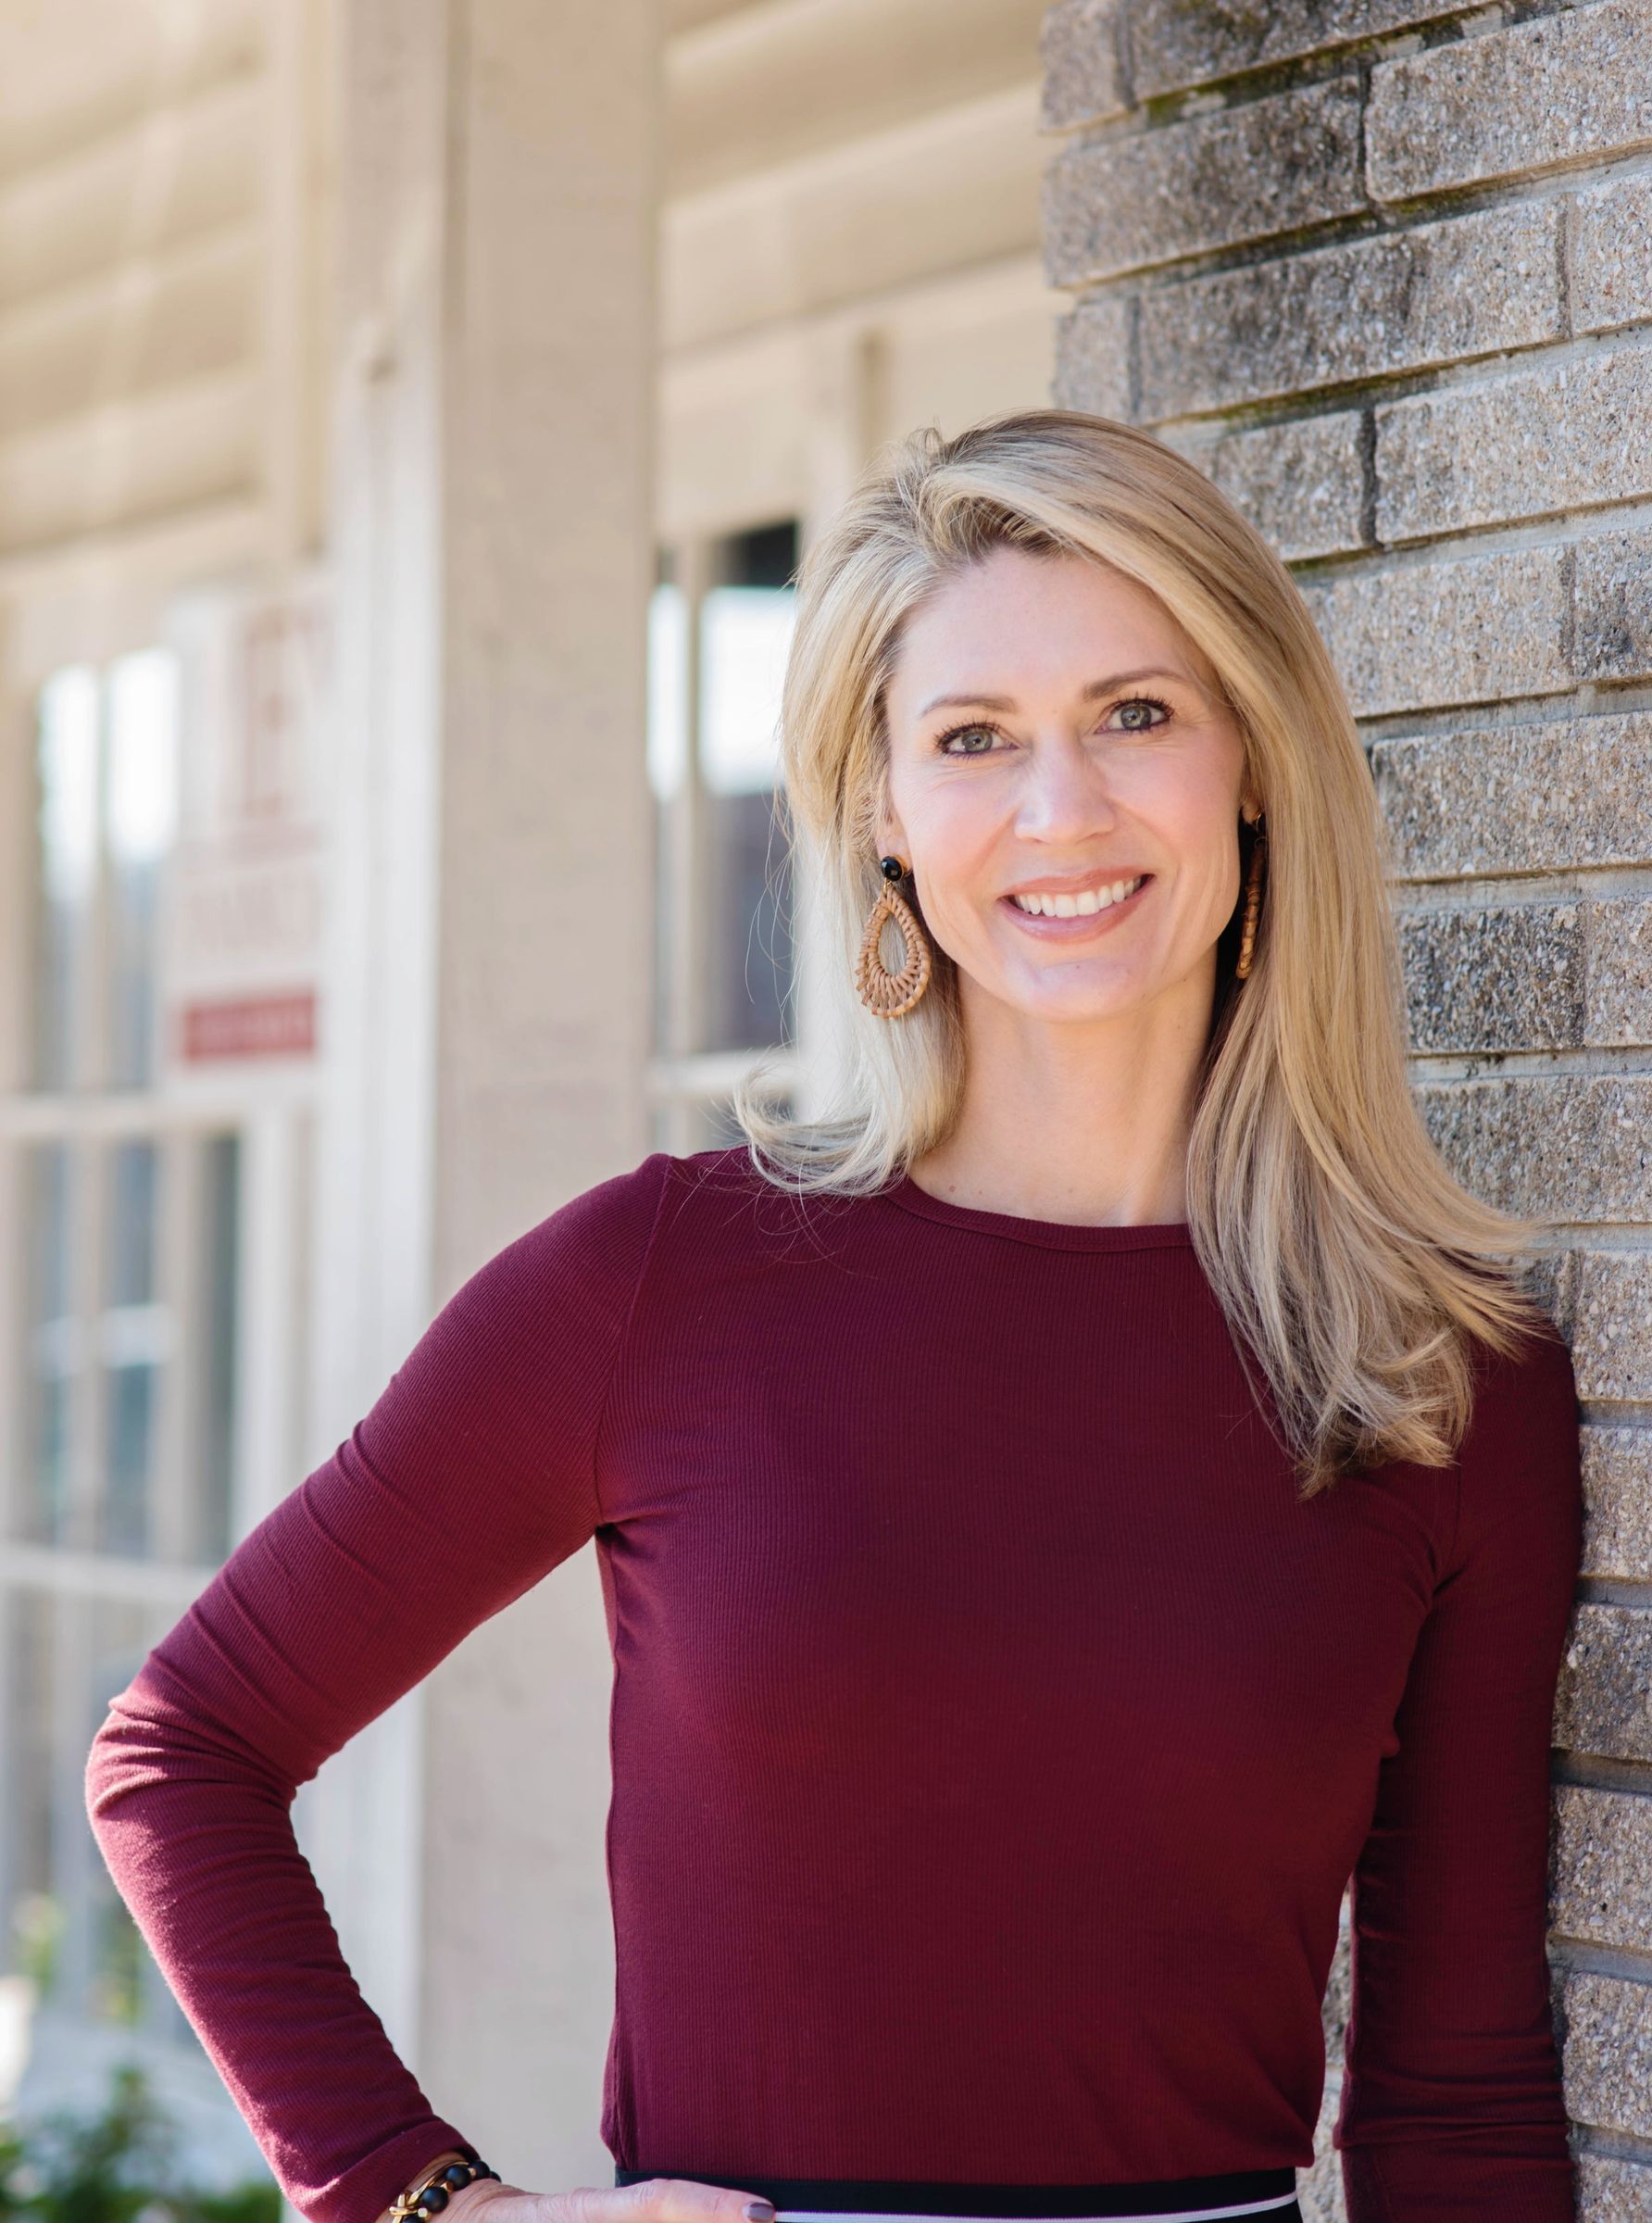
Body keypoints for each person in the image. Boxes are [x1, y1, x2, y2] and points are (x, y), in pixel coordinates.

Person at [84, 409, 1583, 2223]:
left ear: (1252, 758)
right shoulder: (662, 1286)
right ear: (880, 807)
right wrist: (423, 2204)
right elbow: (185, 1753)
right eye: (971, 739)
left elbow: (1454, 2096)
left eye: (1135, 713)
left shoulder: (1441, 1371)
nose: (1062, 811)